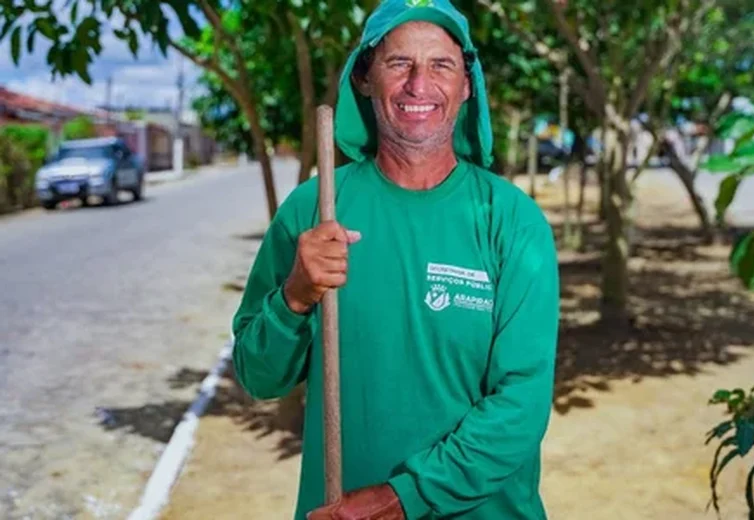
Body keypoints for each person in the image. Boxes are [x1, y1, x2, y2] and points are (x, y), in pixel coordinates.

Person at [231, 0, 560, 518]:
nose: (418, 84)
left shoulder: (512, 221)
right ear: (364, 78)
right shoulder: (316, 211)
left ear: (468, 85)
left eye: (441, 65)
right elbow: (257, 376)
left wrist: (401, 498)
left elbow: (521, 404)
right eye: (398, 63)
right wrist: (295, 296)